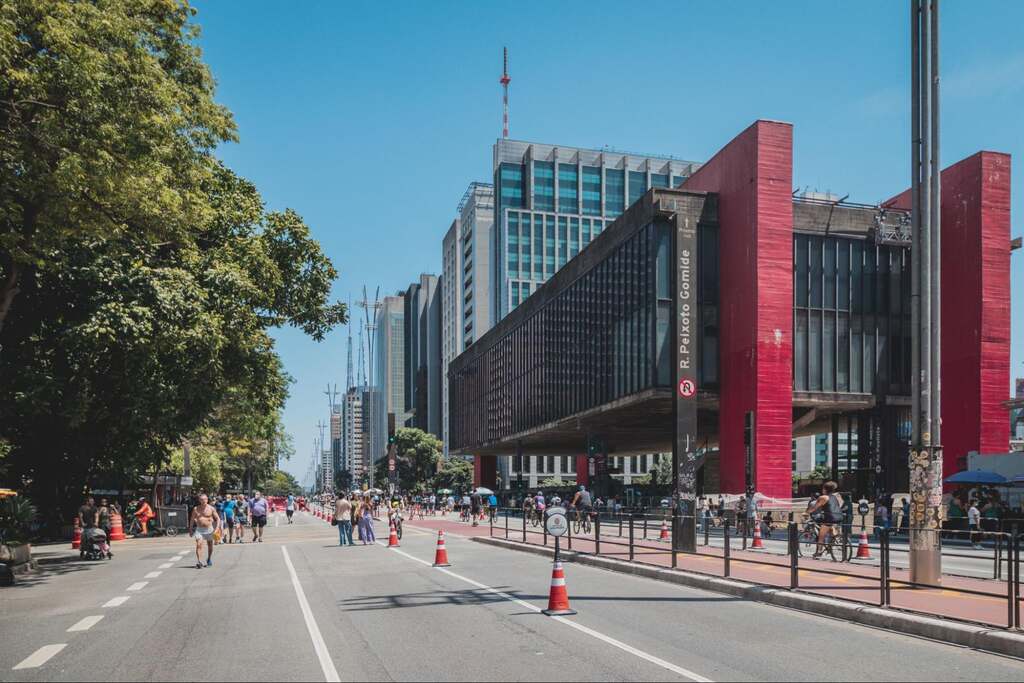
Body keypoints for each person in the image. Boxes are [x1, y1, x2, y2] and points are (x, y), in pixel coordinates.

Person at [807, 481, 844, 560]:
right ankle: (835, 537)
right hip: (839, 516)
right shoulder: (836, 496)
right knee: (829, 526)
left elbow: (814, 508)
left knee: (821, 536)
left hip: (829, 517)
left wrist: (807, 512)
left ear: (824, 489)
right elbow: (841, 503)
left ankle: (819, 552)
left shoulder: (823, 497)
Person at [189, 493, 220, 568]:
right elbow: (192, 519)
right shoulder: (196, 509)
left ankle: (209, 558)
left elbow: (218, 519)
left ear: (207, 500)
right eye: (202, 499)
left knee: (210, 545)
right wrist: (190, 529)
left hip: (209, 529)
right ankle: (199, 561)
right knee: (199, 544)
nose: (204, 501)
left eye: (205, 499)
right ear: (199, 500)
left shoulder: (211, 508)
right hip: (199, 529)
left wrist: (217, 528)